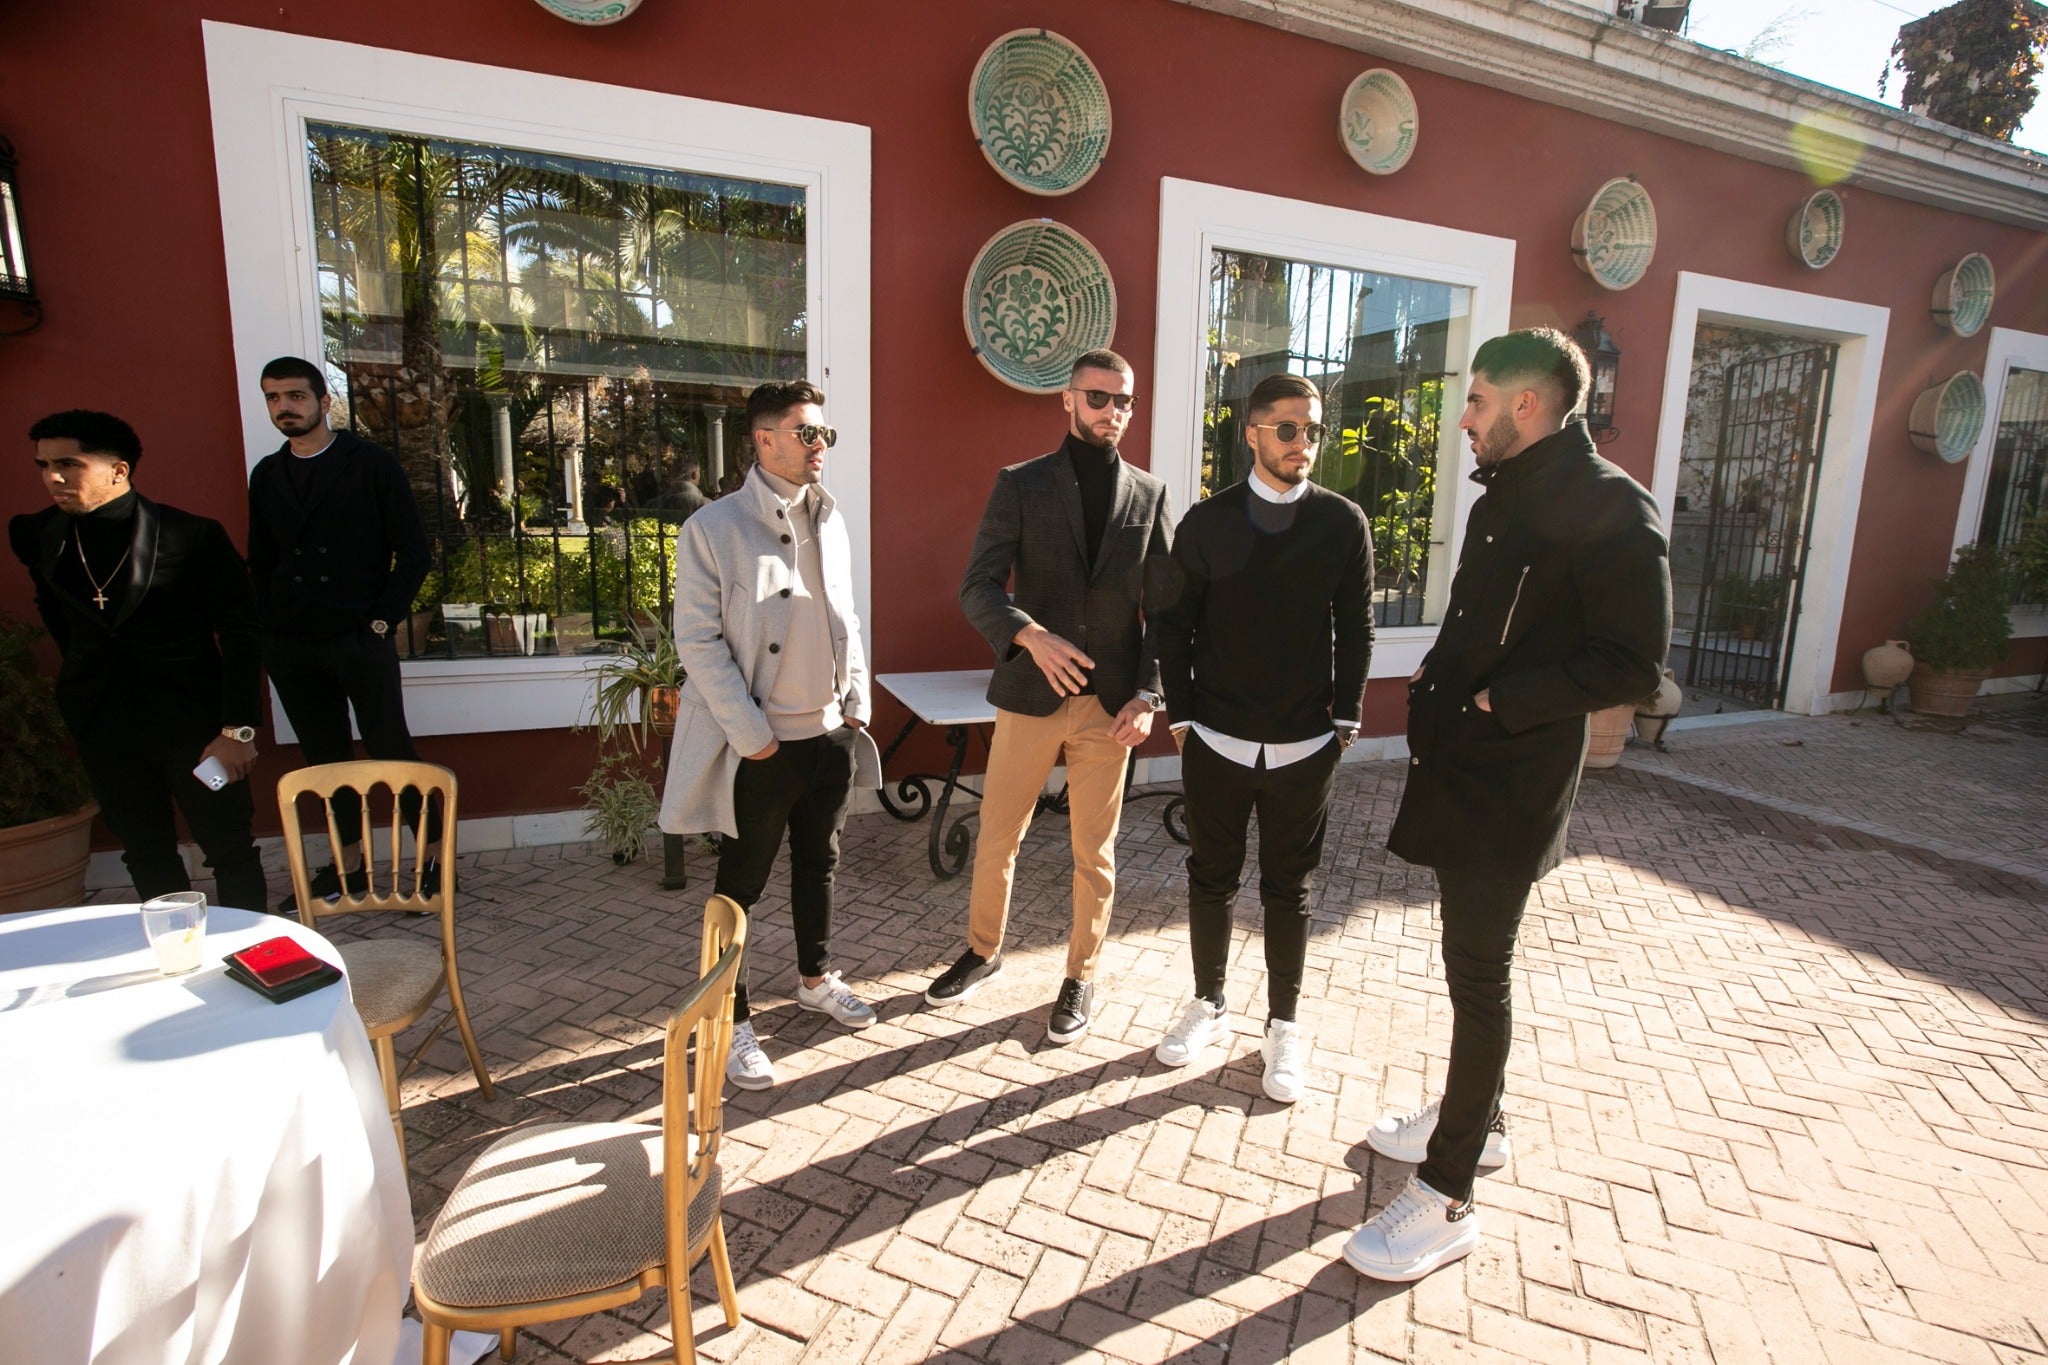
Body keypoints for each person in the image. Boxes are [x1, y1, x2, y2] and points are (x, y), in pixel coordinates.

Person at [1344, 328, 1670, 1282]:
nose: (1466, 418)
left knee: (1481, 975)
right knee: (1466, 963)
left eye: (1479, 399)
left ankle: (1447, 1195)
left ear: (1528, 406)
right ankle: (1474, 1120)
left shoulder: (1614, 508)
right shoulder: (1507, 495)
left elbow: (1633, 662)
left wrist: (1502, 699)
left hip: (1514, 780)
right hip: (1462, 768)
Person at [929, 349, 1175, 1044]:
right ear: (1067, 401)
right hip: (1030, 695)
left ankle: (1080, 974)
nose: (1113, 411)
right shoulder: (1021, 484)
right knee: (999, 835)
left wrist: (1149, 694)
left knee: (1094, 851)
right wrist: (1030, 635)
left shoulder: (1149, 495)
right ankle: (982, 951)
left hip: (1111, 706)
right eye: (1099, 397)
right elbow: (977, 586)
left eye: (1124, 400)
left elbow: (1169, 610)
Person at [1151, 373, 1373, 1103]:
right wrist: (1181, 718)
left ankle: (1284, 1024)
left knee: (1290, 888)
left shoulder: (1343, 523)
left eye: (1311, 429)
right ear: (1251, 432)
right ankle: (1208, 1003)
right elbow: (1172, 625)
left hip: (1307, 746)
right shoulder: (1208, 524)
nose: (1302, 442)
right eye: (1287, 428)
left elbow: (1356, 628)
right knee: (1210, 877)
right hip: (1215, 737)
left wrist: (1345, 718)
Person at [659, 380, 881, 1091]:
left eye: (825, 434)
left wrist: (857, 702)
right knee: (740, 884)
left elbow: (846, 615)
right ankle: (733, 1015)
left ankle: (815, 979)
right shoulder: (714, 529)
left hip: (829, 735)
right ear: (763, 440)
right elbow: (695, 640)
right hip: (759, 745)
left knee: (820, 862)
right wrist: (752, 736)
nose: (821, 446)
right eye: (806, 432)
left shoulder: (832, 517)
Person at [9, 410, 269, 912]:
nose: (52, 477)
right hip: (104, 726)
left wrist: (238, 729)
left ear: (119, 470)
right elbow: (57, 613)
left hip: (194, 724)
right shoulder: (37, 535)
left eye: (68, 463)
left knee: (230, 851)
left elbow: (241, 632)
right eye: (43, 464)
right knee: (146, 853)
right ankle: (178, 959)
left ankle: (256, 959)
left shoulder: (191, 535)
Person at [245, 356, 436, 908]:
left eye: (296, 396)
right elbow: (260, 560)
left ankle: (431, 861)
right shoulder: (268, 474)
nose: (285, 407)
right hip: (291, 641)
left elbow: (415, 553)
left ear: (323, 402)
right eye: (274, 398)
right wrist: (267, 626)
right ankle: (349, 868)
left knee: (390, 748)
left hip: (358, 634)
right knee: (325, 760)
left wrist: (381, 620)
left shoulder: (370, 465)